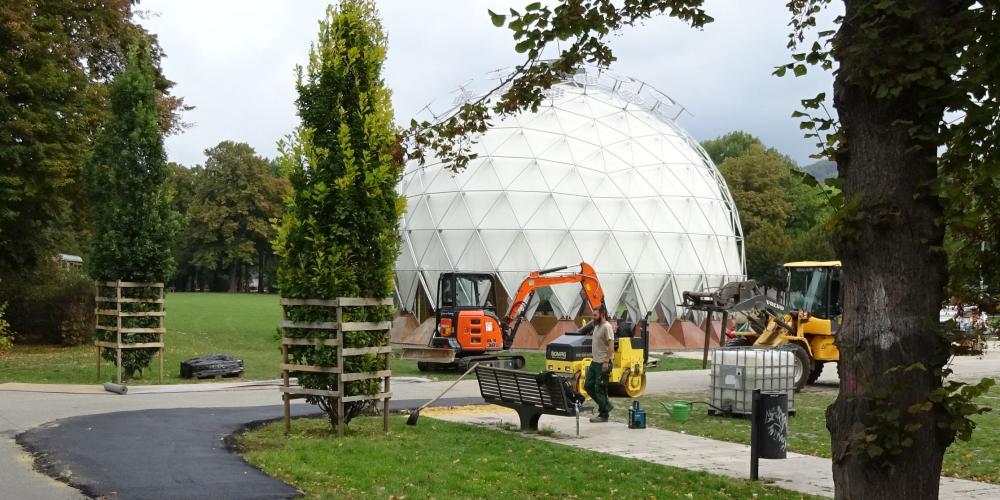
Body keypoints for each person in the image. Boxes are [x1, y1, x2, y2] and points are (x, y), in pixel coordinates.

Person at [585, 304, 615, 422]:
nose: (593, 317)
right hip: (594, 362)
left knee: (600, 388)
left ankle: (604, 414)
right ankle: (606, 406)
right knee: (588, 385)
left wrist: (606, 361)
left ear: (602, 315)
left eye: (595, 315)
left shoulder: (606, 326)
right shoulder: (597, 326)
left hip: (603, 362)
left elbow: (611, 344)